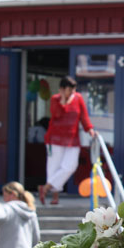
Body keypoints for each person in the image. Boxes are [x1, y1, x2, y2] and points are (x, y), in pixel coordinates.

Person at [40, 75, 96, 205]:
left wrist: (90, 129)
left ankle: (46, 187)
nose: (72, 93)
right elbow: (57, 114)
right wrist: (63, 101)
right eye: (69, 90)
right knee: (54, 167)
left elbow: (83, 116)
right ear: (62, 89)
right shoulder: (55, 99)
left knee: (70, 166)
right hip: (55, 139)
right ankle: (55, 197)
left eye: (73, 90)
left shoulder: (78, 98)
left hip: (72, 138)